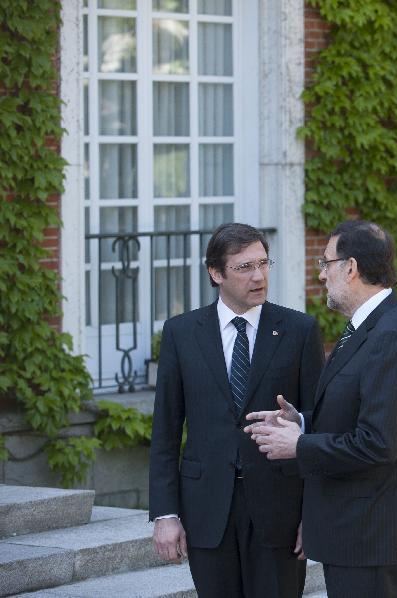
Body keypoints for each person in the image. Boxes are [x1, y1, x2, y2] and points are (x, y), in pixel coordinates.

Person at [245, 220, 397, 598]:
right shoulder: (367, 327)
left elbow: (378, 442)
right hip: (351, 528)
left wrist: (299, 445)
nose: (322, 274)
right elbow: (354, 415)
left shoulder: (390, 335)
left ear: (351, 267)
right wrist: (300, 421)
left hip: (367, 532)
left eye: (326, 263)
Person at [149, 222, 324, 598]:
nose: (259, 276)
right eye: (245, 267)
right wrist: (165, 514)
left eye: (263, 263)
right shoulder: (181, 333)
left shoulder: (300, 330)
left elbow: (318, 424)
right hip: (207, 509)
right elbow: (165, 430)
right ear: (216, 273)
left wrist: (314, 513)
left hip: (280, 510)